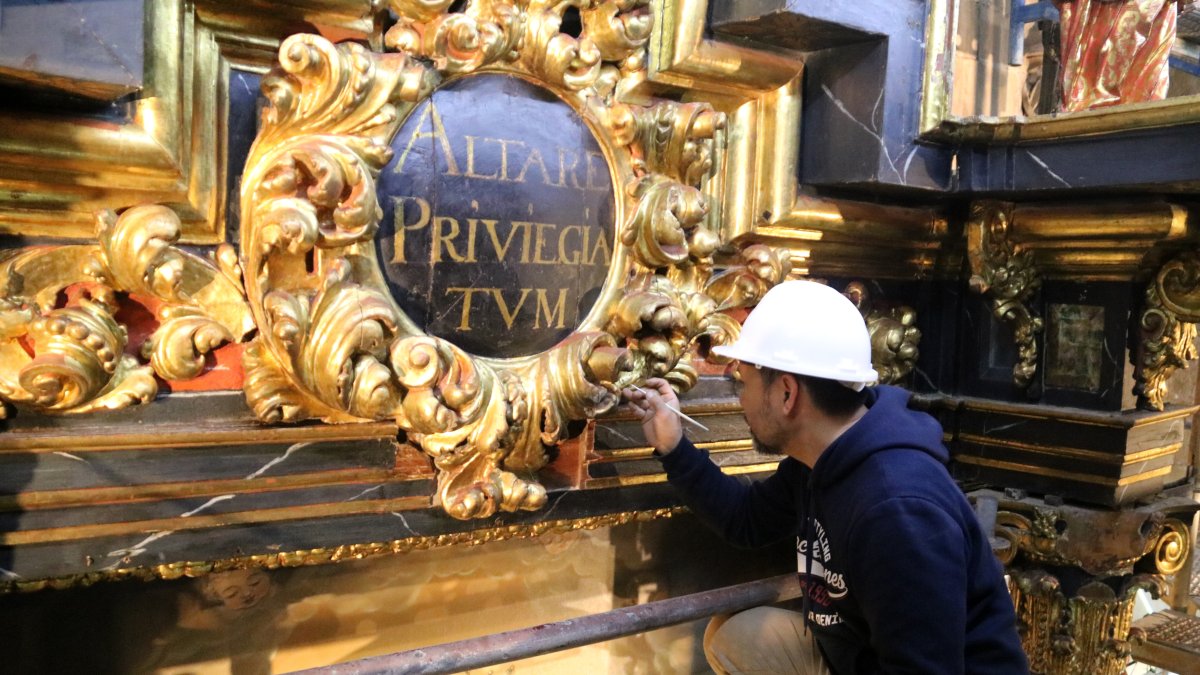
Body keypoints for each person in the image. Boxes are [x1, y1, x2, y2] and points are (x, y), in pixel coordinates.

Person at [623, 280, 1028, 674]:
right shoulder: (821, 457)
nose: (739, 398)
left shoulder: (897, 511)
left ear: (787, 393)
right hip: (858, 656)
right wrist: (673, 447)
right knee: (735, 634)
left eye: (742, 382)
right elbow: (746, 521)